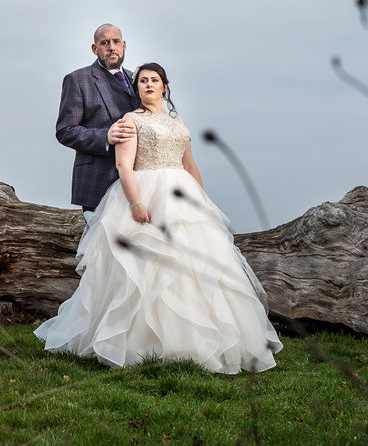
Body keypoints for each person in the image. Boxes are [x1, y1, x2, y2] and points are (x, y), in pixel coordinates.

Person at [36, 62, 283, 372]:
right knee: (144, 271)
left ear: (165, 86)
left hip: (182, 196)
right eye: (142, 81)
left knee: (192, 269)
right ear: (136, 88)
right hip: (146, 192)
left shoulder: (178, 121)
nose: (148, 85)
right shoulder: (130, 120)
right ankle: (142, 343)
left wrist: (202, 201)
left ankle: (196, 342)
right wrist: (136, 202)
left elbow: (190, 165)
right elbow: (124, 166)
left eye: (154, 80)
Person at [55, 24, 138, 214]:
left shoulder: (138, 80)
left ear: (124, 45)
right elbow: (65, 131)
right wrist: (105, 137)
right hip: (97, 182)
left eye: (116, 41)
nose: (111, 47)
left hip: (137, 181)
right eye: (104, 43)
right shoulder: (78, 79)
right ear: (95, 49)